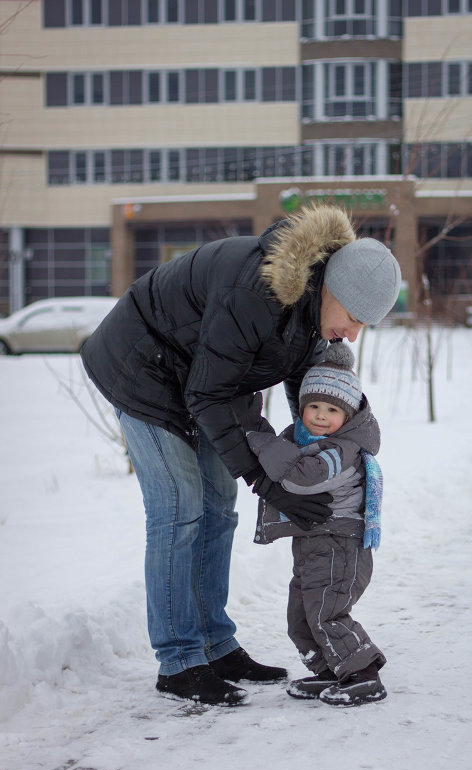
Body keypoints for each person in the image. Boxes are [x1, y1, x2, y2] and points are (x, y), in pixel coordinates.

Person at [80, 203, 401, 706]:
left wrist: (320, 460)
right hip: (142, 370)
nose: (354, 334)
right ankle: (180, 661)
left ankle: (216, 644)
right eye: (355, 318)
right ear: (333, 291)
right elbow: (206, 396)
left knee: (218, 506)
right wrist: (267, 482)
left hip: (201, 381)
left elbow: (308, 394)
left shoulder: (315, 313)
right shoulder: (258, 293)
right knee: (180, 509)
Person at [247, 340, 387, 707]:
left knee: (327, 612)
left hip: (340, 542)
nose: (321, 416)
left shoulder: (343, 449)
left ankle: (363, 674)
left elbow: (299, 479)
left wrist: (263, 444)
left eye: (331, 409)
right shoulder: (305, 440)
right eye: (313, 407)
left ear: (348, 414)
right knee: (301, 615)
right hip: (313, 542)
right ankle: (330, 671)